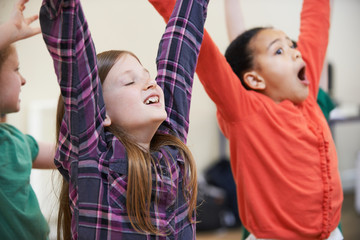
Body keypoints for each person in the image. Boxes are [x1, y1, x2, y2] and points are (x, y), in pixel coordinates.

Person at [149, 0, 343, 239]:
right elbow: (206, 53)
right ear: (255, 80)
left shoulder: (308, 95)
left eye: (292, 46)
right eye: (279, 51)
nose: (296, 52)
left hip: (331, 232)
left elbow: (316, 23)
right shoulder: (246, 112)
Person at [39, 0, 209, 239]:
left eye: (148, 76)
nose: (151, 83)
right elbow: (77, 69)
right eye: (130, 82)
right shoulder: (92, 158)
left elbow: (181, 49)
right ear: (101, 112)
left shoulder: (171, 143)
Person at [0, 0, 55, 239]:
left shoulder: (15, 140)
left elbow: (66, 154)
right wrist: (6, 33)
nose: (23, 80)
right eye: (15, 70)